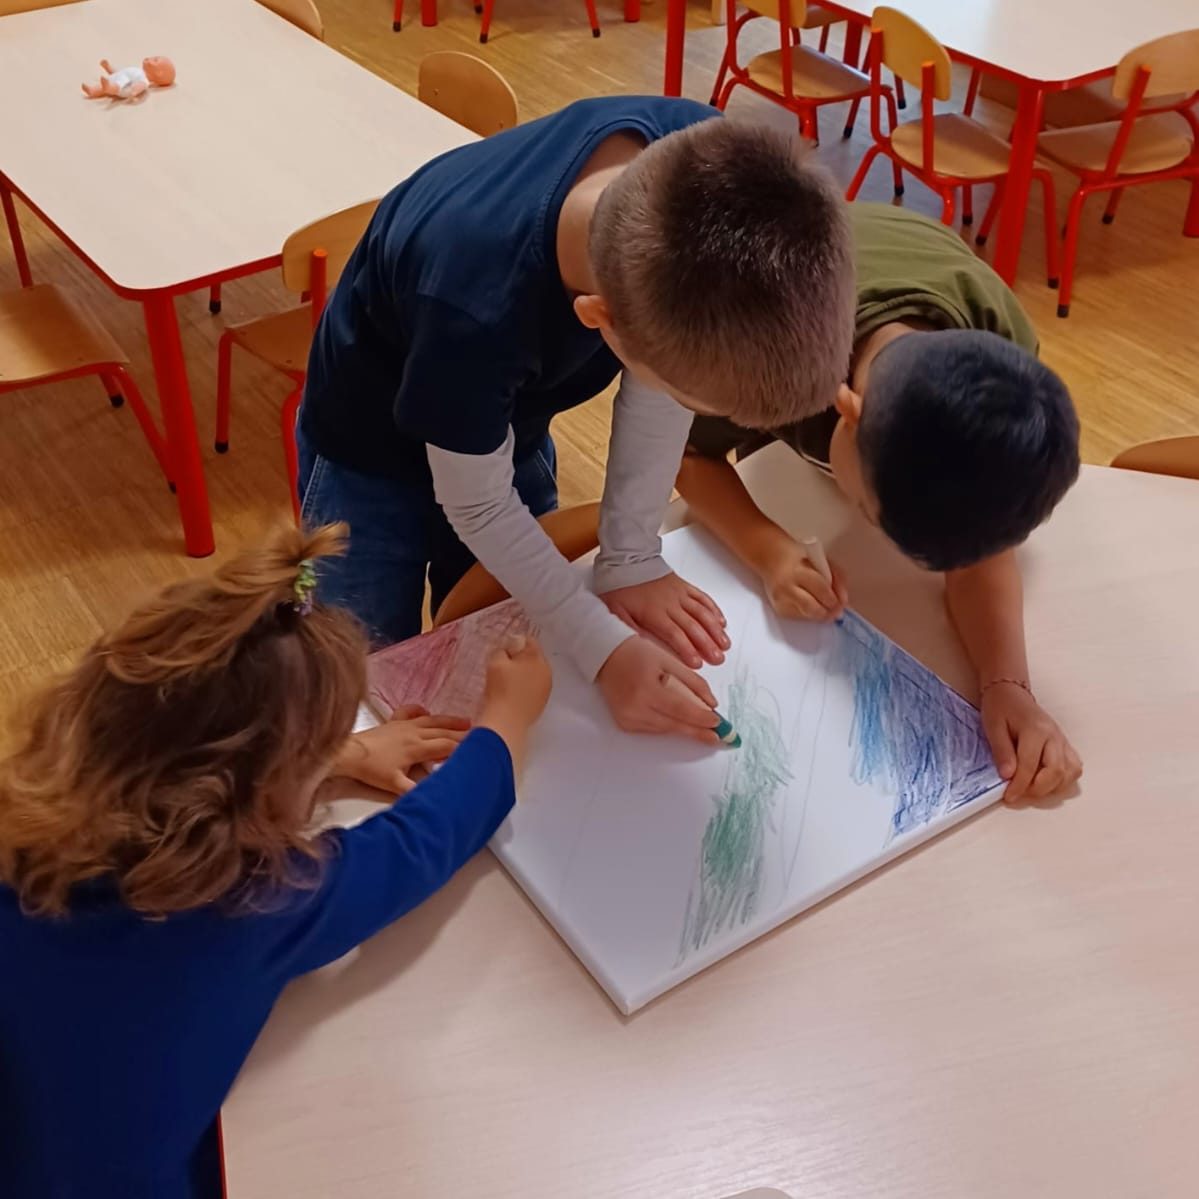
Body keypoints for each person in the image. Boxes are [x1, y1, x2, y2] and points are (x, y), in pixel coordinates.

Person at [0, 524, 551, 1199]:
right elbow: (417, 843)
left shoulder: (25, 806)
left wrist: (337, 758)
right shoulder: (251, 903)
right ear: (265, 796)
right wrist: (505, 722)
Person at [297, 97, 856, 745]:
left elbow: (660, 378)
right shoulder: (473, 306)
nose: (685, 410)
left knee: (491, 626)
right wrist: (602, 645)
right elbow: (475, 504)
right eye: (686, 396)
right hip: (365, 446)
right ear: (599, 320)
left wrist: (631, 556)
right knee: (356, 672)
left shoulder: (706, 170)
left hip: (501, 420)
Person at [678, 202, 1084, 803]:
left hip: (886, 265)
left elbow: (980, 553)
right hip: (781, 272)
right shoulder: (767, 356)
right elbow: (686, 459)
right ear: (845, 410)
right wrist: (770, 552)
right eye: (869, 512)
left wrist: (1007, 684)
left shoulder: (1006, 360)